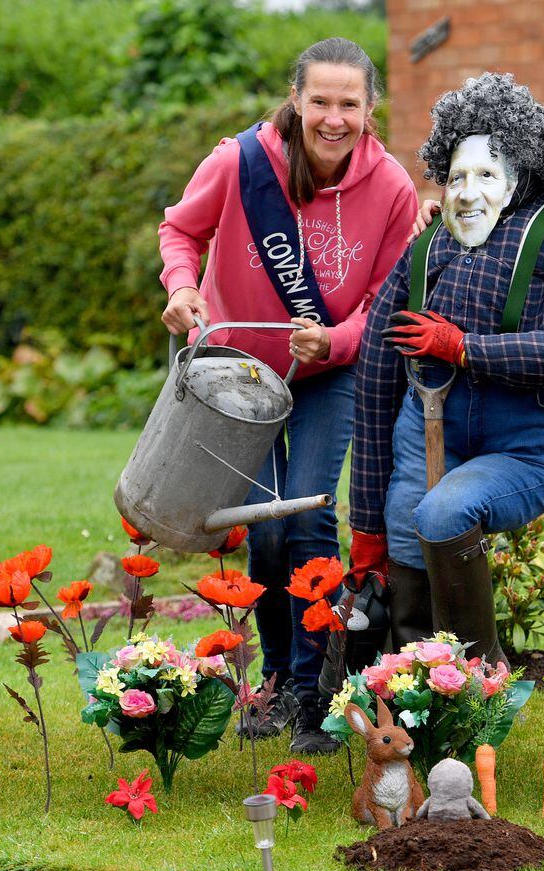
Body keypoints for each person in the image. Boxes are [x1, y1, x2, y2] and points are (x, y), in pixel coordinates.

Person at [157, 37, 417, 754]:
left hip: (328, 374)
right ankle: (274, 674)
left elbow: (384, 303)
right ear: (297, 100)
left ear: (370, 108)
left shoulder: (392, 187)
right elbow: (181, 229)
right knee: (263, 528)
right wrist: (182, 287)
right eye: (321, 102)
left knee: (306, 515)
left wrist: (332, 342)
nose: (334, 118)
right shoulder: (241, 162)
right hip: (236, 376)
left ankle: (314, 689)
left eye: (350, 104)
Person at [346, 73, 544, 665]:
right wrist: (365, 519)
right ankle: (416, 693)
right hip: (427, 422)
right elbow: (376, 380)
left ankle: (479, 677)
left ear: (521, 173)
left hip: (525, 444)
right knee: (404, 524)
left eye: (486, 174)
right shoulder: (428, 245)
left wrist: (468, 350)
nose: (468, 192)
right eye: (456, 175)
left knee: (444, 511)